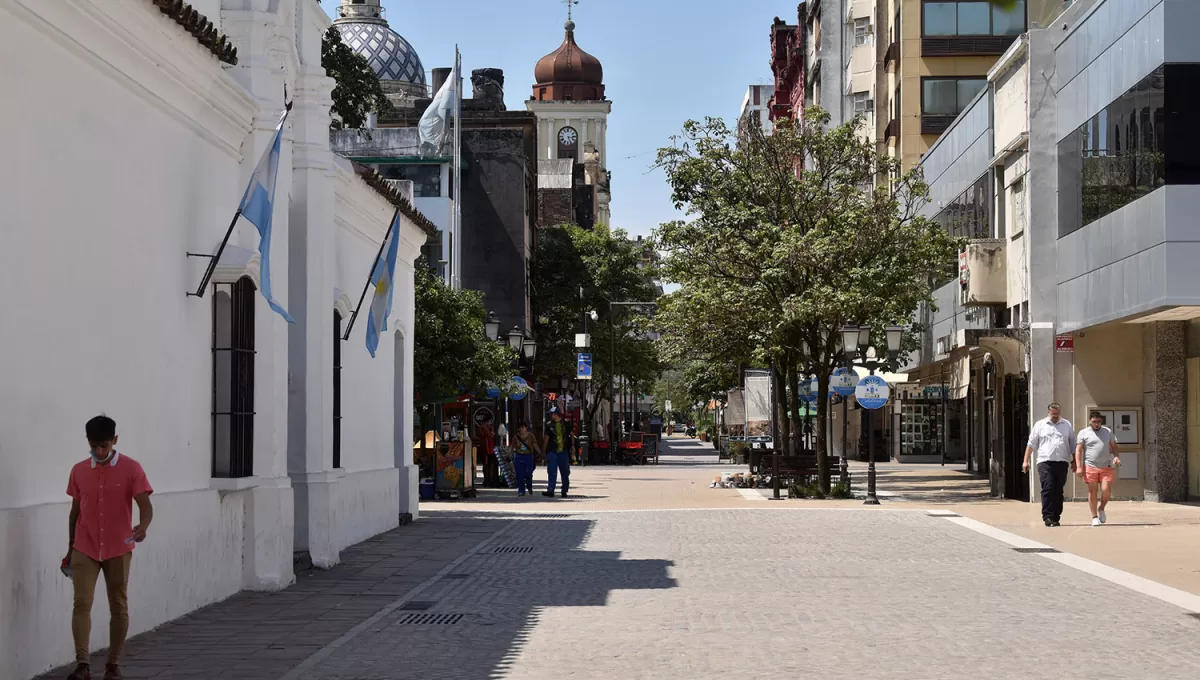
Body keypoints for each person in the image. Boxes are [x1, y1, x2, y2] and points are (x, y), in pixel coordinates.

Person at [64, 415, 154, 680]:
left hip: (119, 547)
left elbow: (145, 505)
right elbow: (74, 514)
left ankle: (113, 665)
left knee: (118, 604)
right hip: (84, 546)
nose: (99, 451)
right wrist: (70, 550)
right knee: (81, 603)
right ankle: (82, 664)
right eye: (94, 446)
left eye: (104, 445)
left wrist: (143, 525)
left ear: (114, 441)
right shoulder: (78, 470)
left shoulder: (132, 468)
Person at [1023, 402, 1076, 527]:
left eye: (1057, 414)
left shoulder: (1066, 425)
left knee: (1058, 489)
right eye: (1053, 414)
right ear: (1049, 413)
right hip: (1045, 462)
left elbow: (1073, 444)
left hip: (1062, 462)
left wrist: (1075, 461)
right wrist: (1026, 461)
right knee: (1048, 487)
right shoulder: (1040, 425)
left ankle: (1056, 517)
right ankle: (1047, 516)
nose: (1055, 416)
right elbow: (1031, 444)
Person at [1075, 411, 1120, 527]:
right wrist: (1079, 467)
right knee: (1093, 491)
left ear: (1101, 421)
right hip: (1090, 465)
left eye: (1098, 421)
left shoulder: (1107, 431)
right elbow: (1078, 450)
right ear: (1090, 421)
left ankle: (1101, 508)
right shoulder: (1083, 433)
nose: (1096, 424)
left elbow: (1114, 446)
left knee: (1106, 490)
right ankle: (1094, 517)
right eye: (1094, 421)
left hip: (1106, 465)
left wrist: (1116, 457)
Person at [543, 406, 573, 498]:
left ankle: (564, 490)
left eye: (552, 414)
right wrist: (544, 451)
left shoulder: (566, 423)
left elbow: (571, 434)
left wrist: (572, 446)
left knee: (565, 472)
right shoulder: (549, 425)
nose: (551, 416)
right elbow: (546, 438)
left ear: (556, 414)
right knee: (552, 471)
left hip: (563, 451)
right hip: (552, 451)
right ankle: (550, 490)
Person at [512, 422, 540, 497]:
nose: (521, 429)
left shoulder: (531, 435)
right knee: (519, 474)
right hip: (518, 456)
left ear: (526, 428)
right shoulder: (516, 437)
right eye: (520, 427)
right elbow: (512, 447)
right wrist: (508, 455)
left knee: (528, 473)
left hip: (528, 456)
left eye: (523, 427)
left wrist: (540, 453)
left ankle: (529, 486)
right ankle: (521, 490)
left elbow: (534, 444)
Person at [474, 413, 498, 488]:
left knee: (488, 464)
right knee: (487, 464)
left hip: (488, 447)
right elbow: (489, 435)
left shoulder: (484, 427)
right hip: (486, 448)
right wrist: (491, 432)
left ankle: (488, 479)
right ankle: (487, 480)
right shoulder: (484, 427)